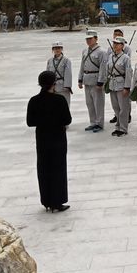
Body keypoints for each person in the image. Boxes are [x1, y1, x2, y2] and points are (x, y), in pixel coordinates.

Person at [26, 70, 71, 213]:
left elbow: (30, 122)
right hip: (57, 138)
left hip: (42, 138)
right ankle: (57, 201)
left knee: (44, 168)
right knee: (58, 169)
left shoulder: (34, 100)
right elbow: (67, 119)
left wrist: (44, 121)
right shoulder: (60, 100)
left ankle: (46, 200)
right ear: (54, 84)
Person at [78, 30, 106, 133]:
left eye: (91, 39)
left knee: (98, 103)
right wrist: (80, 79)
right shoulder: (85, 51)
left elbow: (103, 68)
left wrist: (100, 82)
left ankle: (99, 123)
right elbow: (82, 65)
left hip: (96, 79)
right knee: (89, 103)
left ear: (96, 39)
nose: (88, 41)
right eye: (87, 39)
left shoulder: (101, 52)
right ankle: (93, 122)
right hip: (87, 79)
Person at [106, 36, 132, 137]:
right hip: (112, 84)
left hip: (121, 84)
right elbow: (107, 70)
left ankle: (123, 128)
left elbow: (128, 73)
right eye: (114, 43)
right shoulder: (110, 56)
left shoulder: (125, 58)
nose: (115, 45)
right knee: (115, 107)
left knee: (123, 108)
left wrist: (127, 87)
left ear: (122, 45)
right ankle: (118, 126)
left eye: (117, 44)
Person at [47, 42, 72, 106]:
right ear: (52, 50)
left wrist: (67, 86)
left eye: (59, 48)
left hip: (62, 86)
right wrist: (48, 86)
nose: (57, 50)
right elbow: (47, 74)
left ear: (62, 49)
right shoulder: (50, 61)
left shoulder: (66, 60)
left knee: (64, 104)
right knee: (53, 105)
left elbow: (68, 74)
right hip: (52, 87)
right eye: (55, 48)